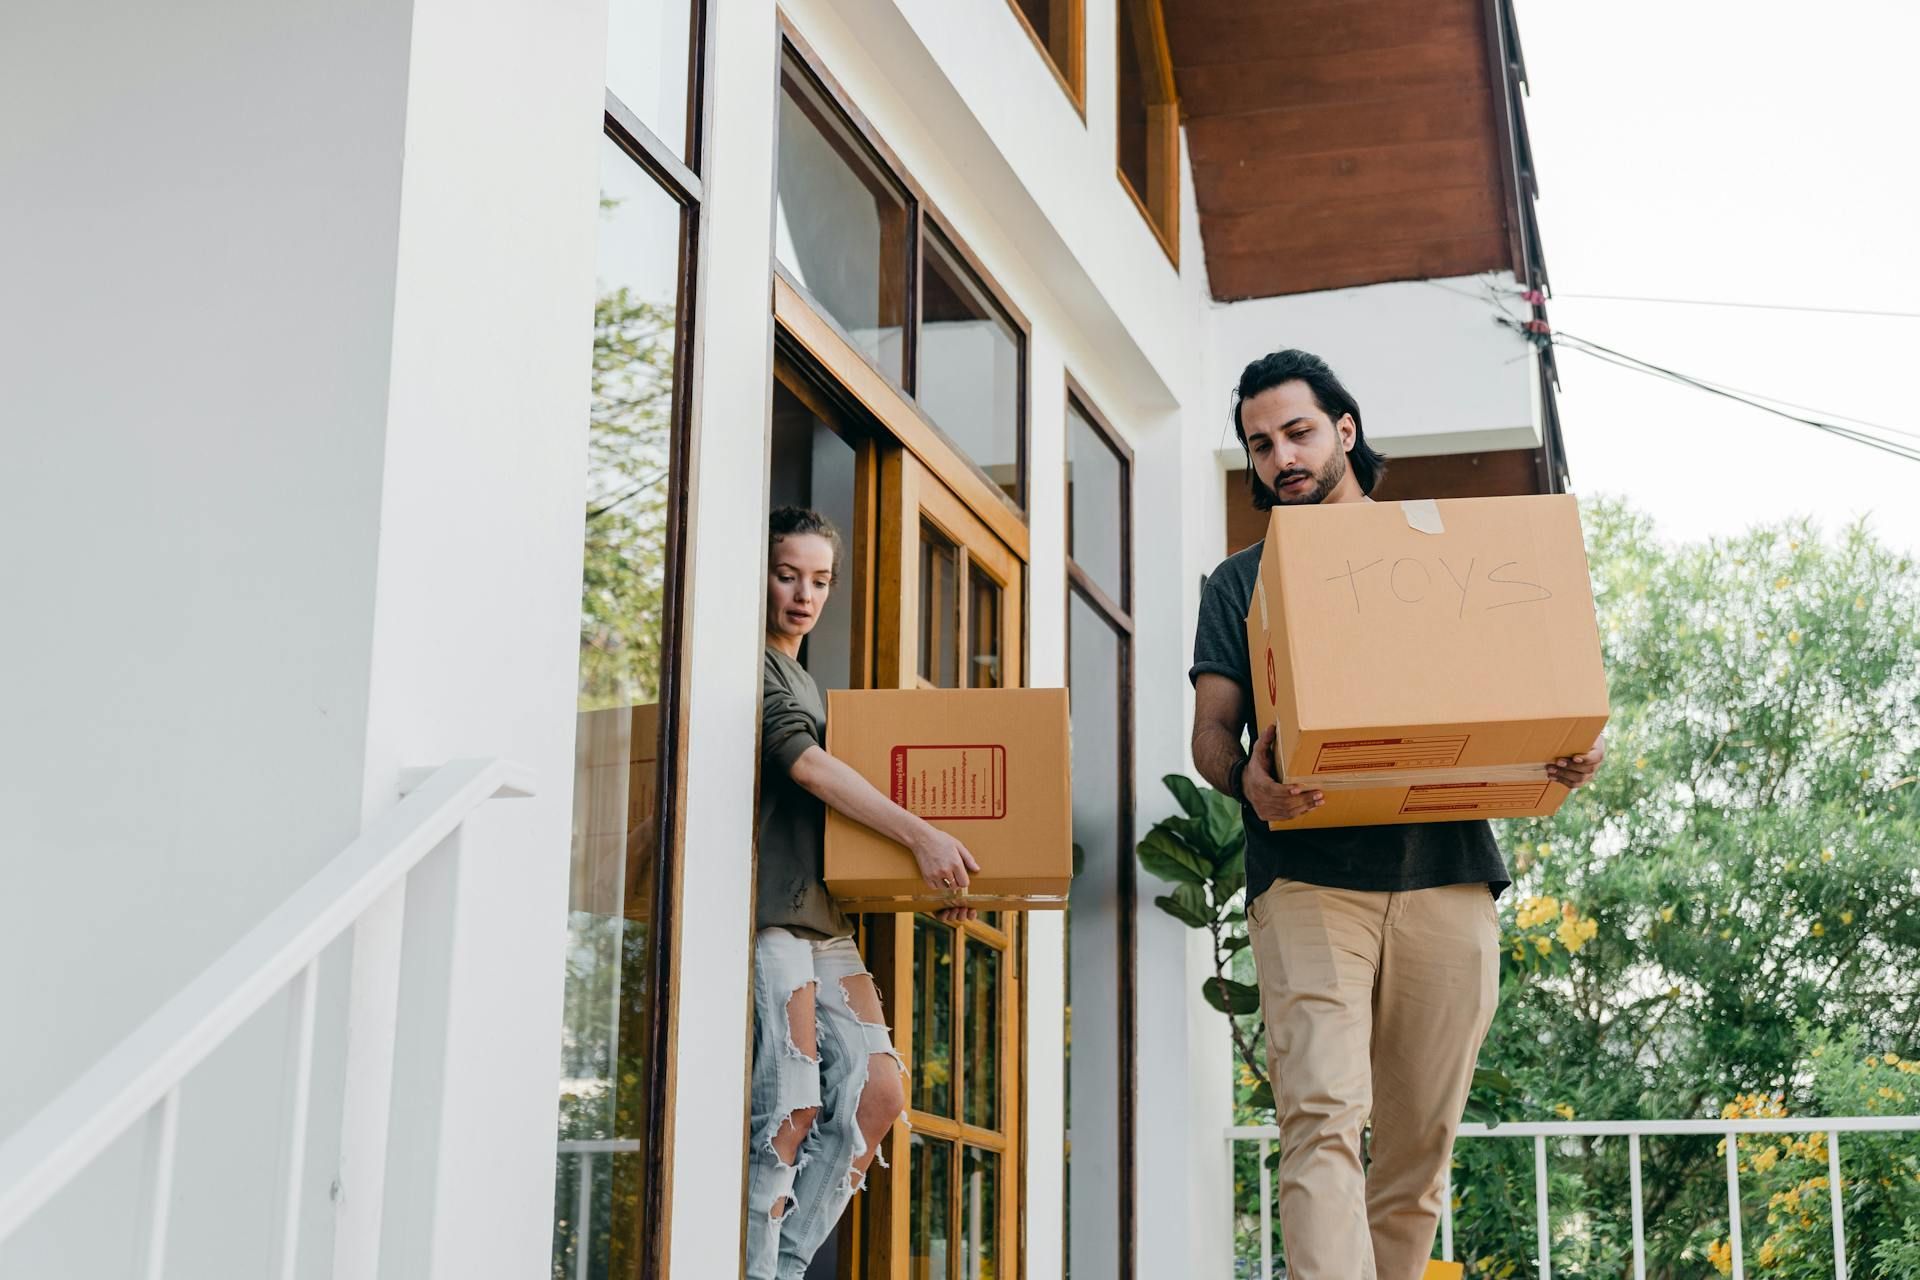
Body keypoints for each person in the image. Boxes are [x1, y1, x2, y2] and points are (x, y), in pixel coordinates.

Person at [1188, 351, 1604, 1279]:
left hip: (1448, 873)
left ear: (1345, 429)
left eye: (1297, 432)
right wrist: (1244, 779)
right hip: (1305, 880)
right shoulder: (1237, 582)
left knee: (1417, 1147)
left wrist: (1571, 742)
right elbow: (1212, 732)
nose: (1280, 457)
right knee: (1322, 1119)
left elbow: (1537, 685)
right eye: (1260, 445)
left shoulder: (1444, 553)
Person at [748, 505, 979, 1280]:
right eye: (786, 575)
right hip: (772, 913)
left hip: (825, 918)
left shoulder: (813, 683)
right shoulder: (752, 664)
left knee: (878, 1092)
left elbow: (842, 827)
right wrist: (921, 836)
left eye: (819, 580)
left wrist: (932, 876)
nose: (803, 595)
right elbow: (807, 768)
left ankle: (779, 1267)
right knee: (794, 1103)